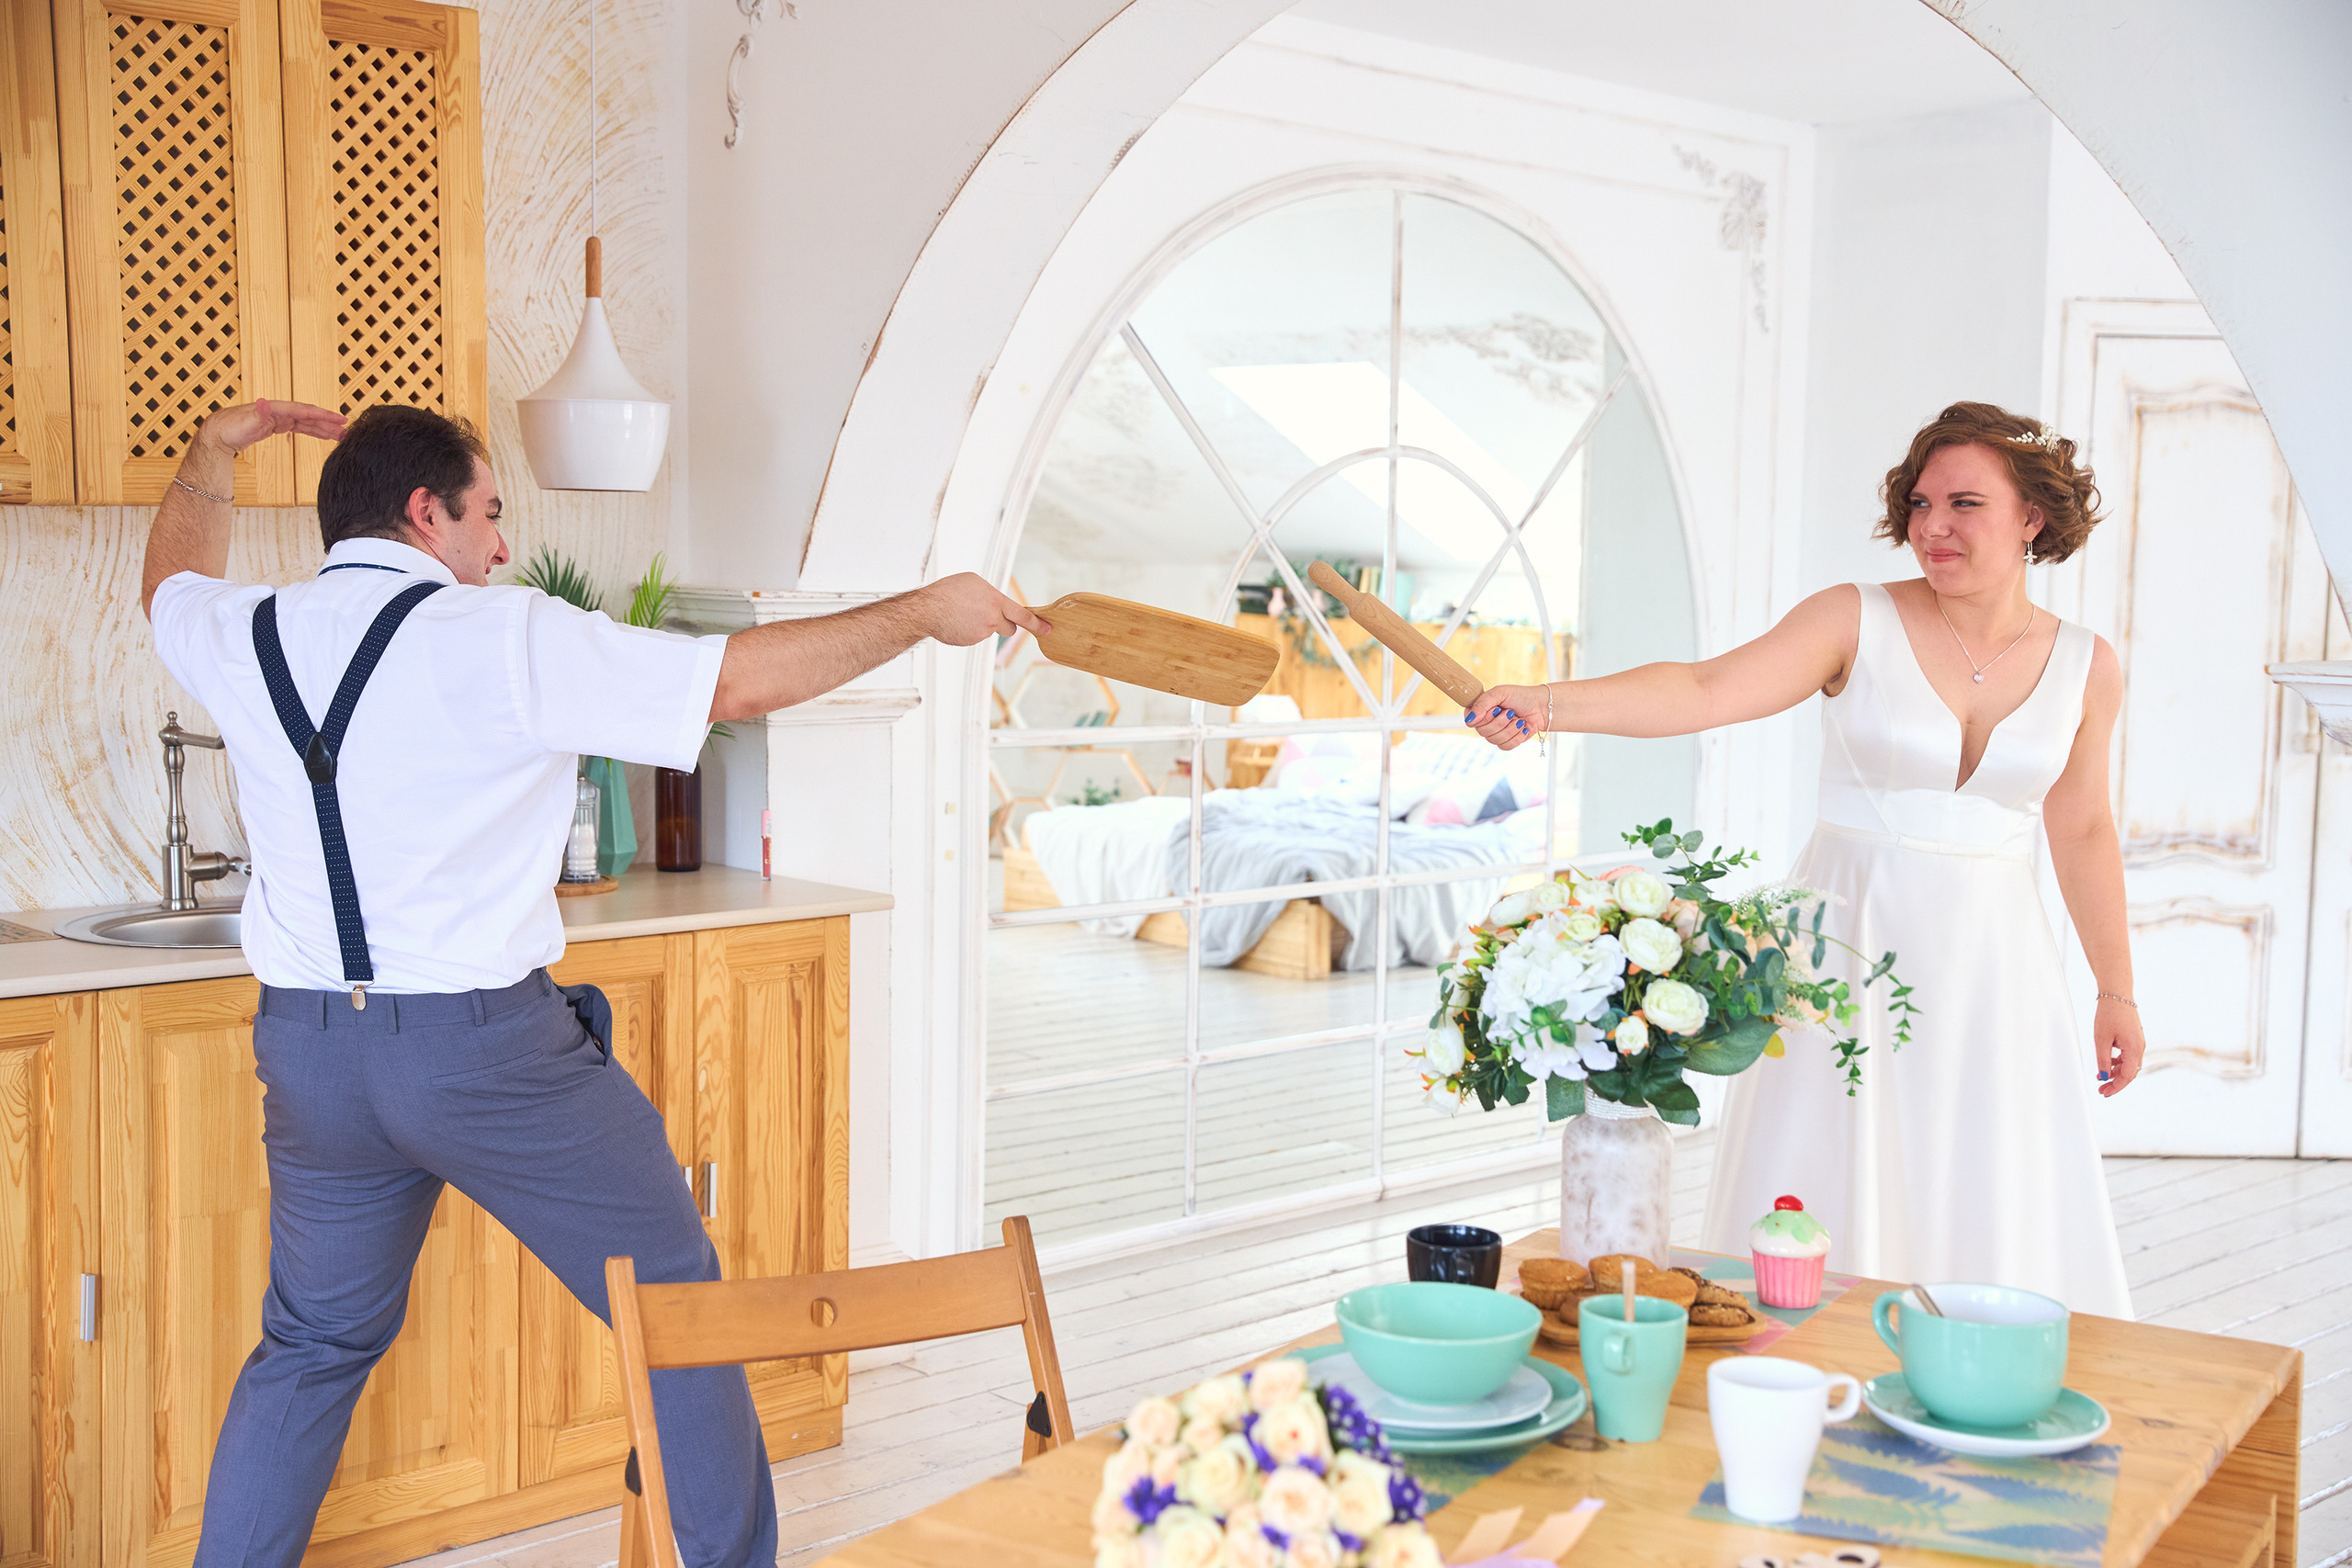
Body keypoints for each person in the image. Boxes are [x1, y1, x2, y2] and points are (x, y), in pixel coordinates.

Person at [142, 399, 1047, 1566]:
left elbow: (168, 581)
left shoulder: (247, 627)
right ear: (427, 513)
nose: (501, 548)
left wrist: (211, 453)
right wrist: (927, 612)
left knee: (312, 1343)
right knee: (676, 1303)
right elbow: (734, 683)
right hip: (484, 1057)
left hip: (312, 1053)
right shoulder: (502, 634)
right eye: (488, 514)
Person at [1464, 400, 2140, 1319]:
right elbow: (1703, 689)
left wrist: (2115, 988)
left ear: (2032, 518)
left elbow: (2085, 827)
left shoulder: (2085, 666)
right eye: (1919, 502)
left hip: (1996, 967)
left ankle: (1982, 1361)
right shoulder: (1852, 621)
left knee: (1987, 1173)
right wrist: (1548, 704)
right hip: (1849, 945)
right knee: (1832, 1175)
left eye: (1964, 504)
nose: (1931, 527)